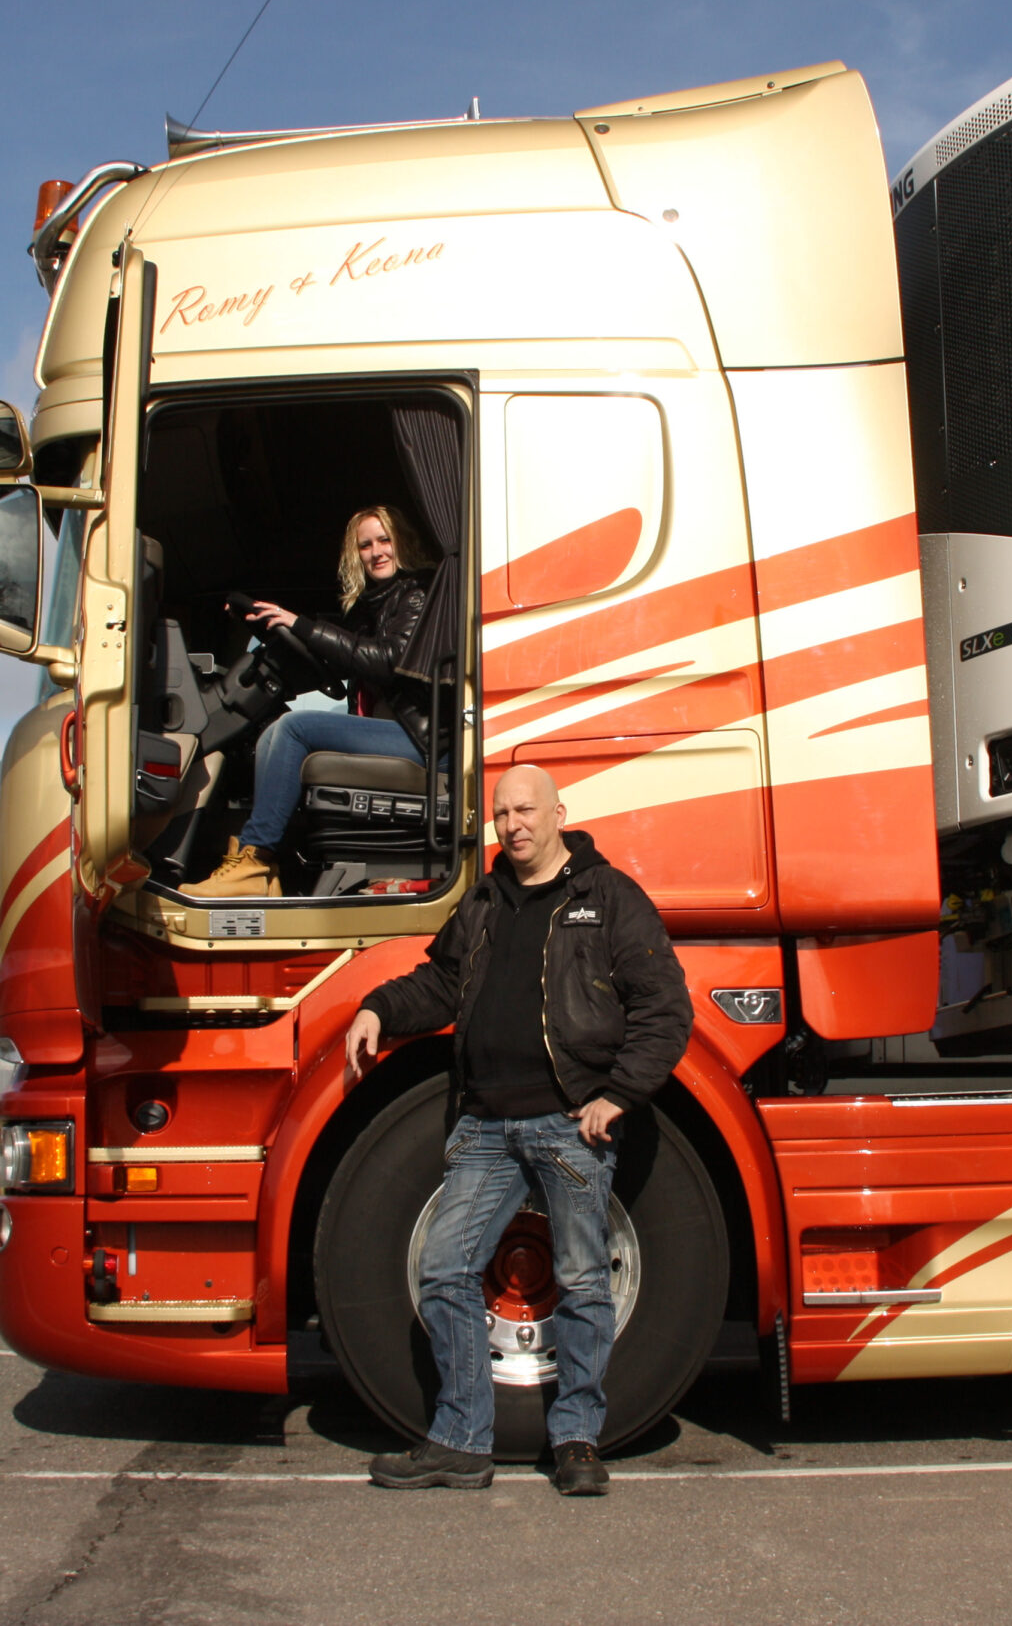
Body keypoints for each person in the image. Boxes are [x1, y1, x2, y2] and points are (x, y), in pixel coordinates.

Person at [340, 765, 691, 1496]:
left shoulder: (607, 896)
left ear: (559, 813)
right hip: (485, 1126)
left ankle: (577, 1442)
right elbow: (440, 983)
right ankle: (462, 1443)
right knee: (443, 1270)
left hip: (568, 1126)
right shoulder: (483, 901)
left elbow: (664, 1006)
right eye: (502, 814)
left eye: (526, 810)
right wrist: (378, 1007)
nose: (513, 824)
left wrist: (618, 1094)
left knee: (583, 1281)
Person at [179, 505, 435, 899]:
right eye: (365, 545)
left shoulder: (416, 592)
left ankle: (255, 860)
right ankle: (263, 873)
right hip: (396, 731)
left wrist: (300, 625)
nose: (376, 552)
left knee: (294, 728)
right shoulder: (372, 606)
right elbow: (336, 654)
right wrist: (268, 624)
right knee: (271, 733)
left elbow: (388, 660)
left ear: (402, 541)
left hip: (422, 740)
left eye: (384, 540)